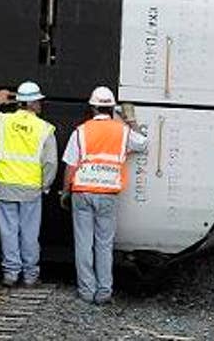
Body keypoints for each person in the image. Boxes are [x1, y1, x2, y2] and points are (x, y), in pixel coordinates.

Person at [60, 86, 149, 304]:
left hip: (82, 192)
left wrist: (65, 191)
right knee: (104, 244)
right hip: (107, 194)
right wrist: (130, 119)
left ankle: (86, 291)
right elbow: (144, 143)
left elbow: (71, 166)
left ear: (92, 108)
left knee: (83, 243)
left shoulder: (80, 131)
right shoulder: (122, 131)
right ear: (111, 109)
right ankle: (104, 292)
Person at [0, 81, 57, 285]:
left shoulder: (3, 121)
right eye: (39, 101)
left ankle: (11, 273)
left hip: (5, 186)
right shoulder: (44, 129)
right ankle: (31, 275)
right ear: (31, 103)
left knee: (8, 231)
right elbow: (50, 162)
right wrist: (45, 185)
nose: (41, 105)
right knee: (30, 233)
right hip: (30, 189)